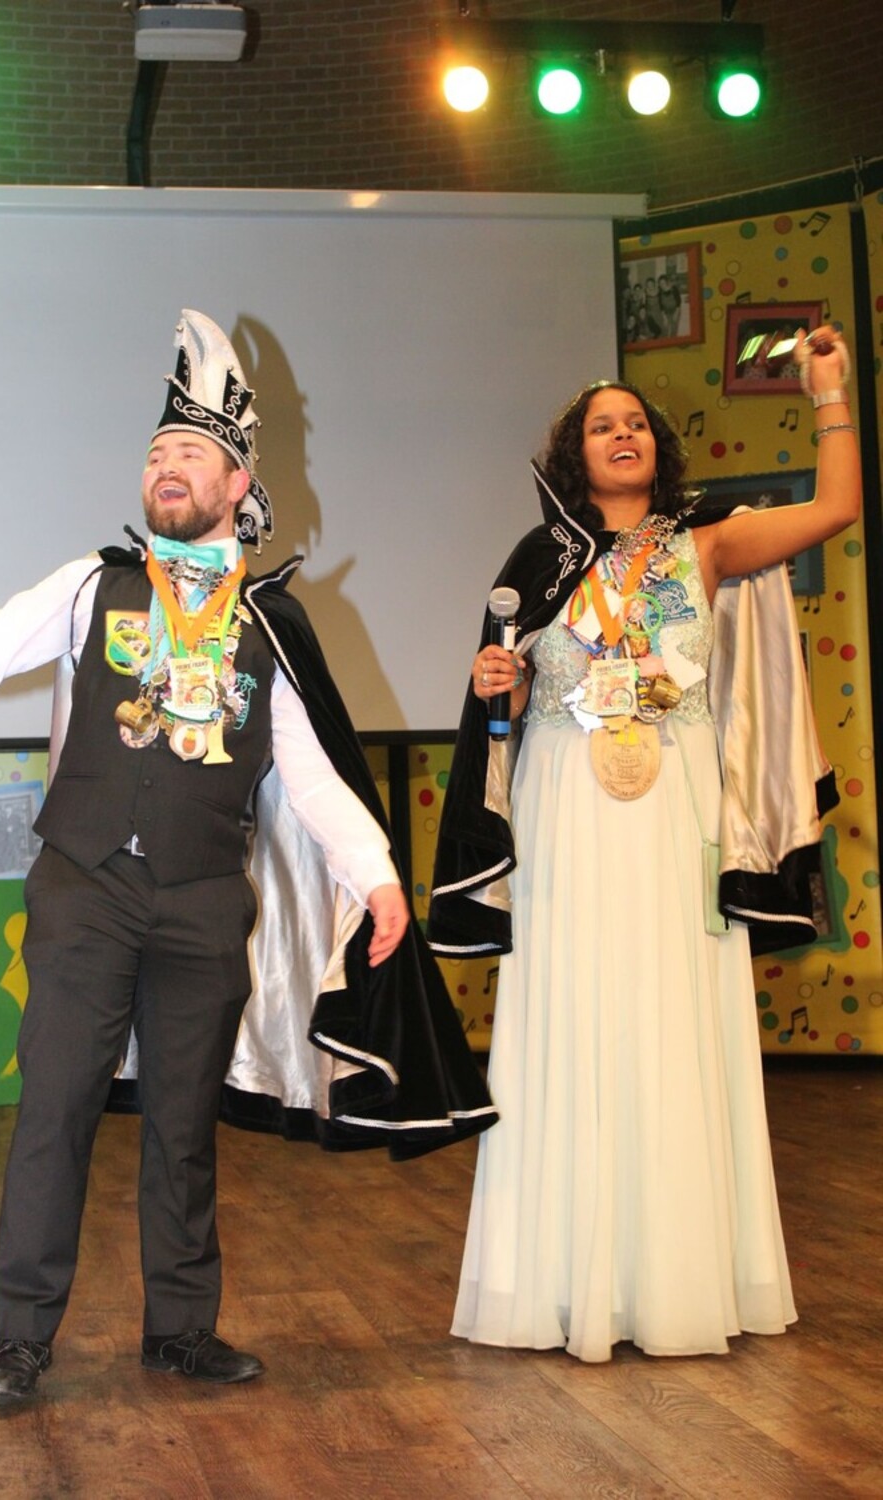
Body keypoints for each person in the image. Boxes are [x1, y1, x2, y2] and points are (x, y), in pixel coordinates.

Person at [0, 309, 496, 1399]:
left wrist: (376, 878)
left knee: (182, 1123)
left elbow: (311, 775)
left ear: (236, 481)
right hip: (85, 888)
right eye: (155, 451)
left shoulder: (267, 625)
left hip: (204, 900)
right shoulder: (92, 585)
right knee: (55, 1110)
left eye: (189, 452)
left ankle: (180, 1329)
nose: (165, 465)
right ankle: (21, 1336)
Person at [428, 326, 860, 1362]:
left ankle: (675, 1279)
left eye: (634, 423)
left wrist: (828, 393)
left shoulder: (705, 545)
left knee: (672, 1015)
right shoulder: (538, 561)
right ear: (572, 454)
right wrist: (497, 686)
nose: (620, 434)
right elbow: (507, 703)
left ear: (656, 447)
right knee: (572, 1015)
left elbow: (836, 509)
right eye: (599, 426)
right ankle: (561, 1278)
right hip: (565, 806)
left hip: (676, 810)